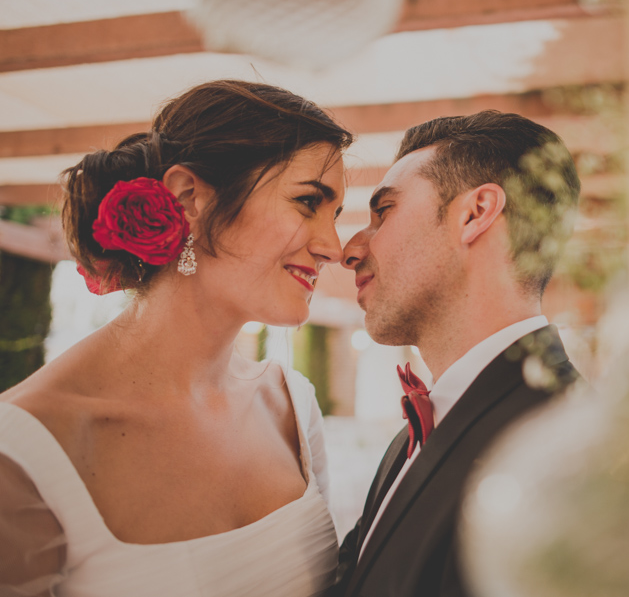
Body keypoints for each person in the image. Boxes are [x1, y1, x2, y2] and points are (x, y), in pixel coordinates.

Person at [0, 80, 353, 597]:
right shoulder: (26, 449)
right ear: (190, 196)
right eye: (306, 202)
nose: (332, 247)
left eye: (336, 215)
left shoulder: (291, 405)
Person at [333, 110, 582, 596]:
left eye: (383, 212)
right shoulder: (409, 439)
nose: (350, 249)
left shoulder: (567, 449)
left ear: (475, 213)